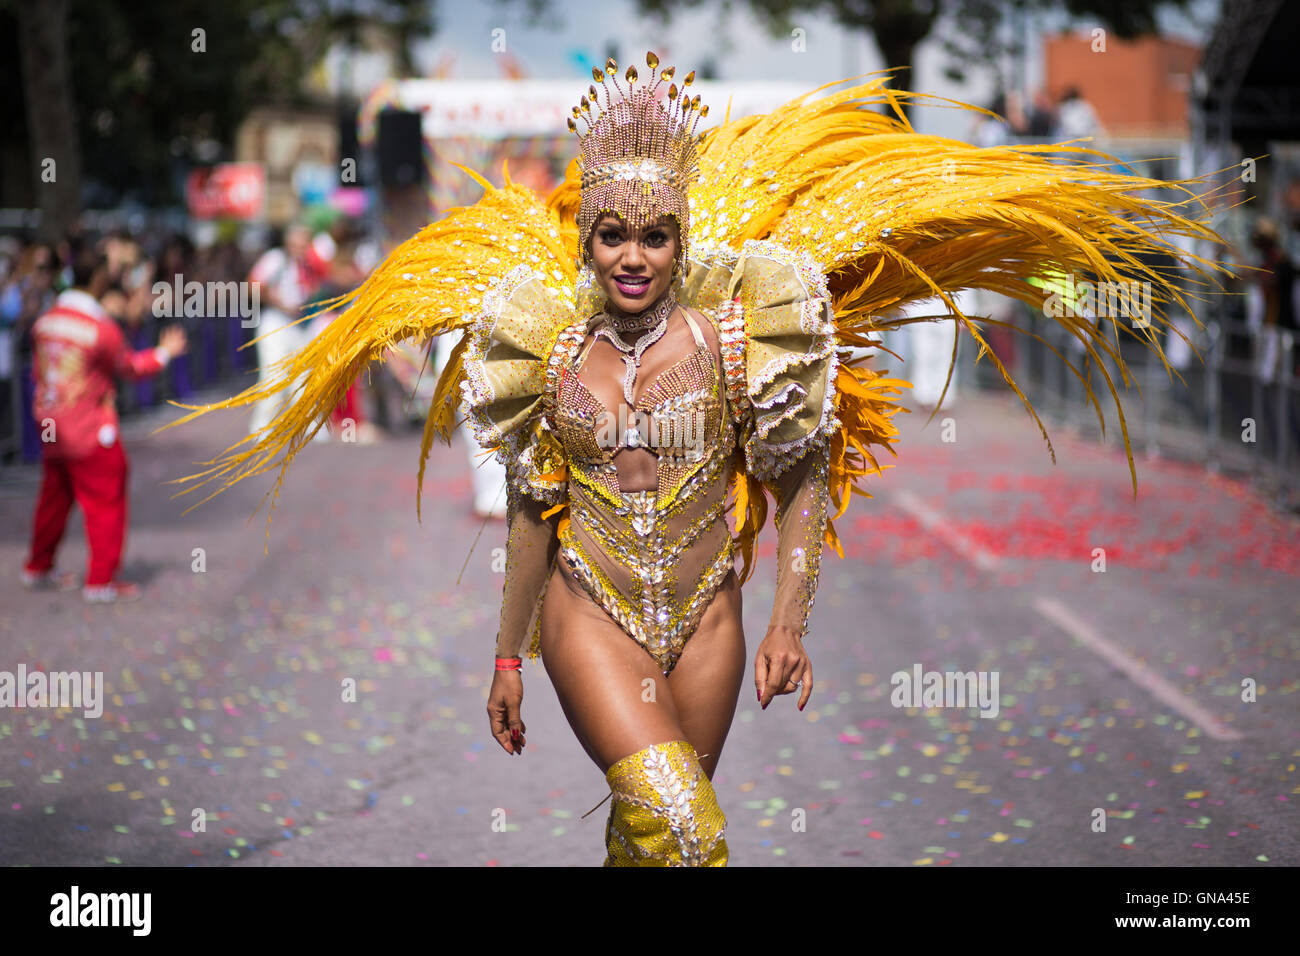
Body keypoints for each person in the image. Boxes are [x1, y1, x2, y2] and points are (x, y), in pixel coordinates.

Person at [164, 54, 1229, 865]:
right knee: (685, 818)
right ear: (584, 236)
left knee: (656, 841)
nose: (634, 255)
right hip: (589, 609)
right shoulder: (545, 343)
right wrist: (504, 654)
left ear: (682, 238)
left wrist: (788, 621)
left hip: (711, 619)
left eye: (655, 234)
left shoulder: (742, 329)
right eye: (613, 233)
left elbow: (800, 473)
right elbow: (536, 507)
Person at [21, 241, 187, 601]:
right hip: (89, 429)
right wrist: (164, 353)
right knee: (105, 500)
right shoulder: (98, 327)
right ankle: (100, 580)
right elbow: (130, 368)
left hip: (50, 424)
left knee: (54, 497)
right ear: (98, 279)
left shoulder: (46, 321)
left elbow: (38, 371)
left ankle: (38, 566)